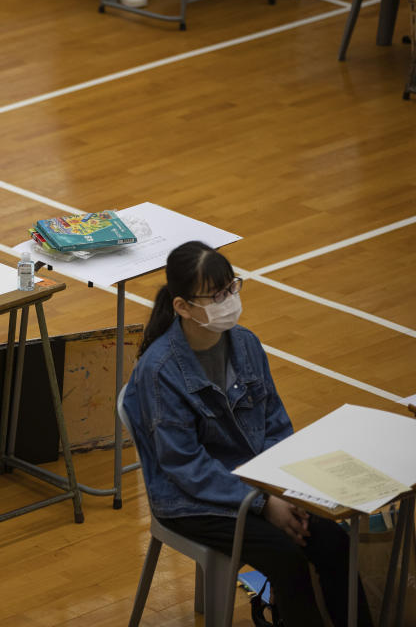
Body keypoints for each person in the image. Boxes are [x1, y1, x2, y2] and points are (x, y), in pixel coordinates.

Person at [123, 241, 372, 627]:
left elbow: (275, 424)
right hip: (192, 500)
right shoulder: (159, 372)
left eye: (231, 288)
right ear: (183, 307)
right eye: (216, 295)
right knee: (287, 557)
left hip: (261, 485)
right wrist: (262, 503)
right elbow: (185, 466)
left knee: (335, 542)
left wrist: (283, 489)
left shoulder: (246, 344)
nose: (228, 301)